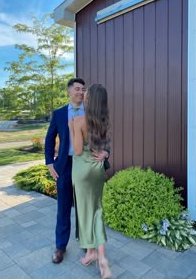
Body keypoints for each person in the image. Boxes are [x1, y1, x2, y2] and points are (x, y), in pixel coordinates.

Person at [45, 78, 108, 264]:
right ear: (69, 92)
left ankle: (88, 246)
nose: (81, 92)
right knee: (63, 207)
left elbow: (106, 138)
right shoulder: (58, 114)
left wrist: (106, 152)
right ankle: (60, 246)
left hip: (88, 165)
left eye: (83, 89)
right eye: (78, 89)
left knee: (86, 208)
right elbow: (49, 140)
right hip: (65, 166)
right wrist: (50, 163)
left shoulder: (92, 113)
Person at [68, 84, 112, 279]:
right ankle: (96, 255)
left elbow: (77, 151)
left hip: (82, 170)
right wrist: (106, 153)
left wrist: (72, 128)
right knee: (97, 210)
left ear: (88, 100)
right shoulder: (104, 121)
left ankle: (95, 255)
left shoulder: (78, 120)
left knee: (85, 213)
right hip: (97, 171)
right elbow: (104, 147)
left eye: (85, 93)